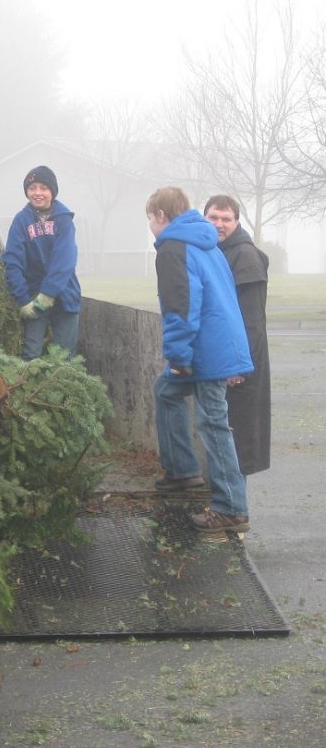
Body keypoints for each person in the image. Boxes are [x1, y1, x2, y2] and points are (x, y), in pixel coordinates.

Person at [147, 187, 254, 532]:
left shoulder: (173, 248)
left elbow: (180, 307)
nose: (150, 225)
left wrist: (178, 356)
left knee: (213, 422)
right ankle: (183, 471)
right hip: (219, 342)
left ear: (161, 216)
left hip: (208, 350)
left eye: (149, 218)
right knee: (166, 391)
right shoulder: (205, 242)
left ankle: (231, 508)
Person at [203, 195, 270, 475]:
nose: (219, 224)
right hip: (224, 359)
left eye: (226, 219)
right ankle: (224, 505)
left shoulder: (245, 256)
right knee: (223, 439)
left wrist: (240, 366)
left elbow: (252, 321)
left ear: (237, 222)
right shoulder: (214, 250)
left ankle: (232, 510)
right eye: (214, 217)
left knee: (237, 444)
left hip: (242, 364)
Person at [1, 165, 81, 360]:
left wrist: (49, 293)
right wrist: (23, 300)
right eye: (32, 188)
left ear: (52, 191)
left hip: (65, 295)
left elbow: (65, 259)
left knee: (64, 358)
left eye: (43, 188)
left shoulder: (64, 221)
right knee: (31, 354)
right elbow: (12, 261)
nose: (37, 193)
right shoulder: (21, 221)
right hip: (32, 298)